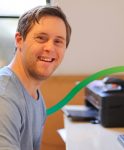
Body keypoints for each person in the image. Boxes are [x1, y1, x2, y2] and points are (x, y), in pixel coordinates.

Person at [0, 5, 71, 150]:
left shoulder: (35, 96)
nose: (50, 48)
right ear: (19, 40)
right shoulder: (5, 98)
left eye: (58, 41)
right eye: (41, 38)